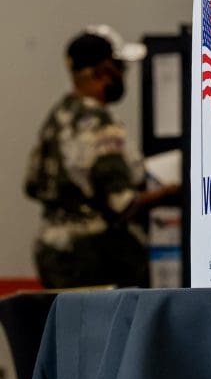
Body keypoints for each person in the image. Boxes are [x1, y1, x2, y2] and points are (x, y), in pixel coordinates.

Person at [24, 26, 178, 289]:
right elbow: (122, 203)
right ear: (103, 71)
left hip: (53, 251)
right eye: (120, 67)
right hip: (95, 258)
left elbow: (32, 183)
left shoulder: (58, 117)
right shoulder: (99, 122)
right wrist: (173, 191)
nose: (122, 76)